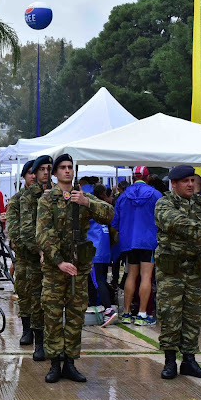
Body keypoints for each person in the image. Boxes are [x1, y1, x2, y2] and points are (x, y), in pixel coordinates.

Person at [37, 154, 114, 384]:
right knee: (52, 316)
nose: (67, 171)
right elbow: (43, 234)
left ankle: (70, 362)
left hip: (79, 269)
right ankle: (54, 363)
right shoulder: (47, 199)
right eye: (63, 167)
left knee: (75, 316)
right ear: (55, 173)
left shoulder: (83, 196)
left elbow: (109, 214)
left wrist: (87, 203)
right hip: (55, 269)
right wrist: (59, 261)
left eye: (71, 167)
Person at [155, 165, 201, 380]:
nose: (190, 184)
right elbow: (177, 223)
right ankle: (170, 360)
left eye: (192, 180)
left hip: (196, 270)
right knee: (170, 315)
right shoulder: (164, 203)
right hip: (172, 270)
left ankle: (189, 360)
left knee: (193, 316)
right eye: (185, 181)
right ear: (174, 184)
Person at [111, 166, 162, 326]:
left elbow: (115, 222)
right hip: (148, 242)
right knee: (146, 276)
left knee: (131, 275)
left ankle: (126, 313)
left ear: (133, 178)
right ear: (148, 178)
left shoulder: (123, 196)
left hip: (129, 242)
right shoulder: (155, 195)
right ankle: (142, 314)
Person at [19, 155, 54, 361]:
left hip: (58, 259)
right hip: (34, 258)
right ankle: (38, 341)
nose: (45, 173)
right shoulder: (27, 197)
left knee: (54, 302)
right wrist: (42, 251)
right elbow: (25, 231)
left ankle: (55, 343)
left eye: (49, 168)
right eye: (40, 169)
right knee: (36, 300)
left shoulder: (60, 193)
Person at [5, 160, 35, 345]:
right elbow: (14, 230)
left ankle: (41, 331)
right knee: (24, 293)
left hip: (45, 257)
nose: (33, 176)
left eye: (36, 172)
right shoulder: (17, 199)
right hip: (24, 256)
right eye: (29, 172)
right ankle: (27, 330)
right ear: (24, 176)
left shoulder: (46, 197)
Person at [87, 184, 117, 327]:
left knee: (97, 280)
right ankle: (94, 306)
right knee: (98, 280)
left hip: (95, 250)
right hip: (104, 250)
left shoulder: (88, 208)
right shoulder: (103, 210)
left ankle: (108, 308)